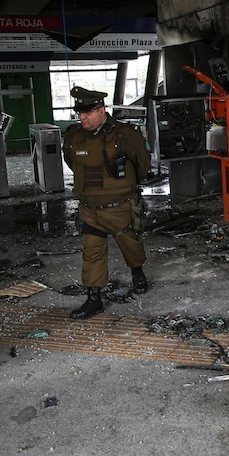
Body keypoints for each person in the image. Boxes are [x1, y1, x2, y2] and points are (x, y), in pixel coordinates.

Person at [63, 86, 151, 320]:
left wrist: (123, 186)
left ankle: (137, 272)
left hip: (120, 207)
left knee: (130, 244)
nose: (82, 117)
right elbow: (72, 162)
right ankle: (94, 299)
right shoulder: (73, 136)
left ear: (102, 110)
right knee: (92, 254)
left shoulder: (125, 134)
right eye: (79, 113)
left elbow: (142, 164)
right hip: (89, 209)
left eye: (88, 112)